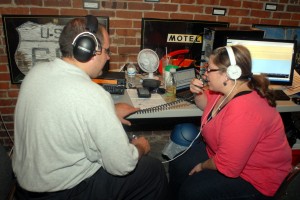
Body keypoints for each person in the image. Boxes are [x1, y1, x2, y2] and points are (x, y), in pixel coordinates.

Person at [12, 15, 168, 200]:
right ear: (87, 49)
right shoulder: (92, 94)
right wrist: (140, 148)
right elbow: (121, 165)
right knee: (152, 169)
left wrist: (108, 111)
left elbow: (64, 110)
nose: (108, 57)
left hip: (25, 188)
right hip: (64, 192)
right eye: (107, 51)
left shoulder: (36, 73)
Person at [168, 45, 292, 200]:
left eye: (209, 70)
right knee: (178, 166)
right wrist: (197, 93)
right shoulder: (228, 90)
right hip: (219, 152)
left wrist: (202, 166)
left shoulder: (244, 110)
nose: (205, 75)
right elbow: (207, 106)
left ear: (228, 74)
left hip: (257, 176)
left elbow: (229, 167)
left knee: (191, 191)